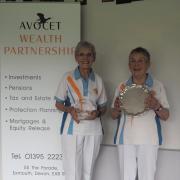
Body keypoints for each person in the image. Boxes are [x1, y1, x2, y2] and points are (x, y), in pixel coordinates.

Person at [111, 47, 169, 180]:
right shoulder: (122, 86)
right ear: (128, 65)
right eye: (132, 61)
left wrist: (157, 106)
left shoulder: (157, 86)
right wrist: (116, 109)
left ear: (148, 64)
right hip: (125, 139)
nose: (136, 64)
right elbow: (113, 115)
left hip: (149, 139)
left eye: (140, 61)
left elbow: (166, 116)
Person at [54, 41, 107, 180]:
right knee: (72, 172)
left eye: (89, 54)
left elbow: (103, 107)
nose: (85, 58)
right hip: (72, 129)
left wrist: (98, 113)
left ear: (94, 58)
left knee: (88, 172)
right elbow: (58, 103)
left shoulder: (99, 80)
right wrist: (70, 109)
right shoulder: (67, 77)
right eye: (81, 54)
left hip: (94, 130)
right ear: (76, 57)